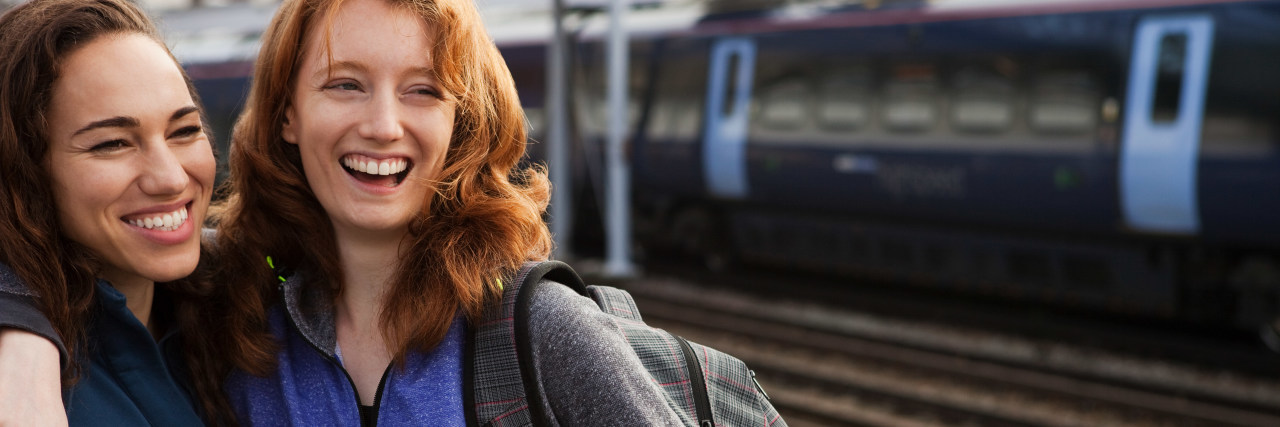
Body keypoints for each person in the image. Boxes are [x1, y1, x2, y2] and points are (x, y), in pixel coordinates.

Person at [204, 0, 686, 423]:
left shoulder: (544, 329)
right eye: (346, 84)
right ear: (288, 113)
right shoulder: (231, 322)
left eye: (423, 90)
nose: (383, 126)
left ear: (460, 123)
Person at [0, 0, 219, 425]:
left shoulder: (247, 307)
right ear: (23, 172)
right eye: (112, 143)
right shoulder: (22, 382)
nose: (171, 178)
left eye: (184, 130)